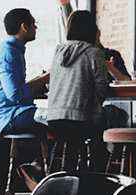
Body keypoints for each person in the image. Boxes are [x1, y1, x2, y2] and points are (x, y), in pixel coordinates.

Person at [45, 10, 124, 170]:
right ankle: (102, 173)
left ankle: (67, 177)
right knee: (116, 116)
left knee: (83, 134)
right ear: (92, 30)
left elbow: (50, 84)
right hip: (81, 121)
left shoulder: (58, 51)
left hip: (54, 120)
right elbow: (102, 88)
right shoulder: (94, 53)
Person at [0, 8, 50, 136]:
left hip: (14, 113)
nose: (36, 27)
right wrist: (45, 78)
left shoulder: (13, 50)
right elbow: (14, 94)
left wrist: (42, 78)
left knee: (61, 121)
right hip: (8, 116)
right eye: (33, 23)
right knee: (61, 122)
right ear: (24, 26)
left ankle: (42, 157)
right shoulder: (7, 53)